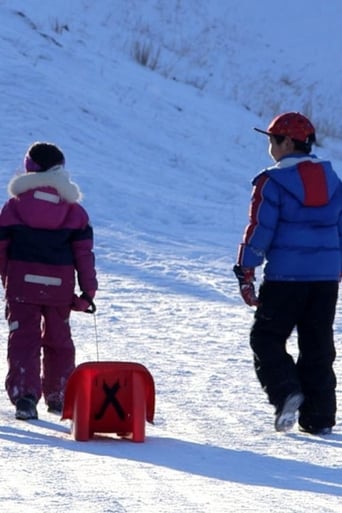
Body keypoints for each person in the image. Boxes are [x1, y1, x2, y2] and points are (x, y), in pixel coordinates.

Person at [233, 112, 342, 435]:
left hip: (285, 280)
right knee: (317, 344)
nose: (270, 147)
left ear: (287, 142)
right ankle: (319, 416)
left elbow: (260, 229)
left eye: (272, 140)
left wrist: (246, 269)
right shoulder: (333, 180)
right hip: (324, 281)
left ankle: (286, 392)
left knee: (265, 338)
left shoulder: (272, 181)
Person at [0, 141, 97, 420]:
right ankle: (61, 397)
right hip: (58, 289)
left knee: (23, 340)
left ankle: (25, 398)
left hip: (21, 286)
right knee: (59, 341)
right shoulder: (74, 211)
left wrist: (8, 277)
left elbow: (2, 248)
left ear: (30, 168)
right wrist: (88, 292)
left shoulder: (13, 207)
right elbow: (84, 255)